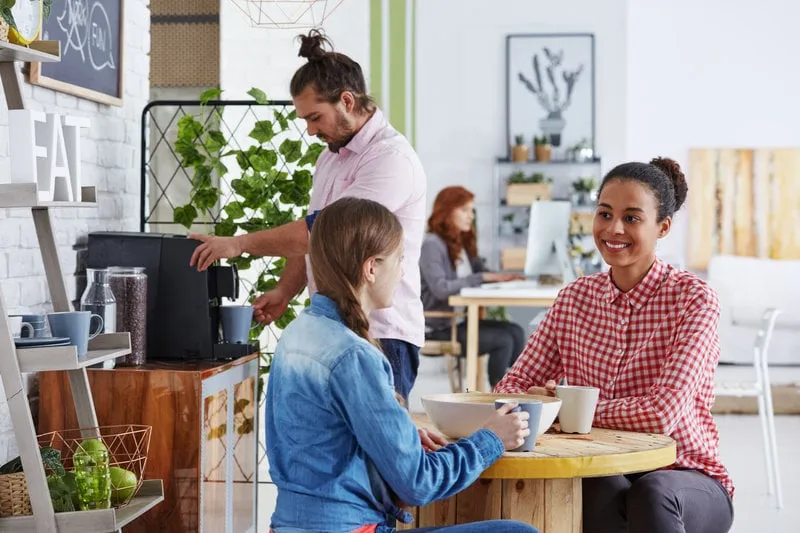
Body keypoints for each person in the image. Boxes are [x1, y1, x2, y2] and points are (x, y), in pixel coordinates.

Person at [266, 196, 538, 533]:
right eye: (400, 259)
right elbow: (418, 484)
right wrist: (491, 438)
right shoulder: (354, 356)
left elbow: (324, 445)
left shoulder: (297, 334)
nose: (403, 271)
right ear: (371, 268)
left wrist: (401, 438)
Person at [495, 158, 734, 533]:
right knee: (591, 483)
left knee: (652, 492)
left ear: (663, 227)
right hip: (603, 466)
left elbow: (661, 413)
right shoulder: (574, 299)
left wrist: (566, 411)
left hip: (685, 475)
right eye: (604, 214)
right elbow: (509, 390)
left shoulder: (693, 300)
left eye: (632, 218)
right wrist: (551, 406)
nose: (613, 228)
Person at [187, 29, 427, 403]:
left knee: (379, 458)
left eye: (315, 118)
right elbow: (314, 234)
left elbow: (323, 233)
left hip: (382, 332)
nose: (311, 130)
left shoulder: (389, 160)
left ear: (347, 100)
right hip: (336, 329)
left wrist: (238, 244)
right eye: (305, 120)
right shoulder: (330, 157)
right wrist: (286, 290)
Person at [420, 186, 526, 388]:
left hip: (460, 322)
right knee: (503, 340)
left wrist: (501, 278)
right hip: (441, 327)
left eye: (472, 211)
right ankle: (499, 398)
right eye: (465, 210)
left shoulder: (460, 242)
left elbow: (481, 272)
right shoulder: (432, 244)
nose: (471, 216)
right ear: (447, 211)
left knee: (516, 332)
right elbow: (441, 288)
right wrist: (479, 277)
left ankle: (518, 387)